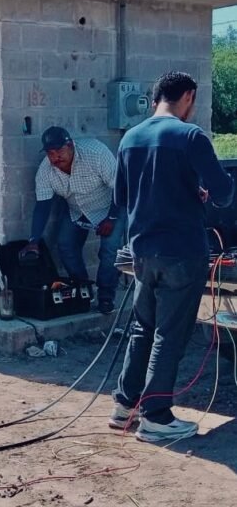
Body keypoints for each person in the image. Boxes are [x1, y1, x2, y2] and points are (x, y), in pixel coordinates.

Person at [109, 71, 233, 443]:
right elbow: (225, 192)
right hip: (182, 252)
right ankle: (157, 417)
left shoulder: (130, 137)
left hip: (143, 251)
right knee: (170, 333)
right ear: (188, 97)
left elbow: (121, 199)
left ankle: (124, 408)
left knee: (142, 328)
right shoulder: (190, 136)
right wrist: (202, 195)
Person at [19, 127, 125, 315]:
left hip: (110, 207)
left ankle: (106, 297)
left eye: (59, 151)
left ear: (70, 145)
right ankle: (84, 290)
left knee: (110, 251)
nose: (55, 157)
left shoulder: (95, 152)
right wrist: (33, 241)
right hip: (76, 209)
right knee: (65, 245)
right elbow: (43, 206)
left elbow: (120, 188)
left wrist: (112, 218)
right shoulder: (46, 169)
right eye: (51, 153)